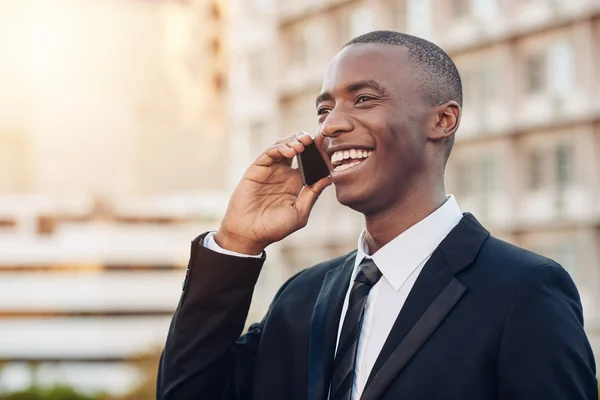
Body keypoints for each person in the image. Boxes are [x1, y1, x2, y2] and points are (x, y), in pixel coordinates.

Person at [156, 30, 597, 400]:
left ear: (443, 120)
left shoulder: (524, 291)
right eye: (324, 110)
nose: (329, 126)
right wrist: (235, 244)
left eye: (363, 99)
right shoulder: (300, 298)